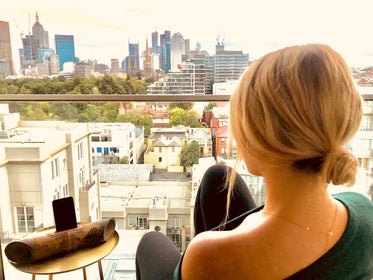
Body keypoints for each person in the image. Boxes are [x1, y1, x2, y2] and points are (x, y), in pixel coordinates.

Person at [135, 44, 373, 280]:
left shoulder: (205, 256)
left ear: (264, 137)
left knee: (150, 242)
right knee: (218, 178)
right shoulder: (363, 211)